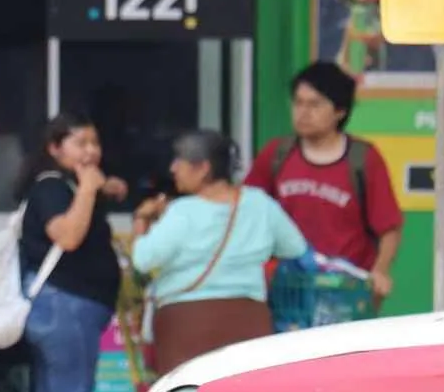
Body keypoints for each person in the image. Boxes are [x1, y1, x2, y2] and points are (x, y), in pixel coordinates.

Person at [16, 112, 126, 392]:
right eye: (80, 143)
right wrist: (89, 188)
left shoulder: (67, 186)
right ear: (55, 148)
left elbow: (112, 190)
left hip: (66, 309)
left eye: (94, 142)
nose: (91, 151)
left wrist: (103, 187)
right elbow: (69, 236)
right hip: (66, 308)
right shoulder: (50, 187)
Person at [132, 130, 311, 374]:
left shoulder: (182, 211)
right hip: (249, 323)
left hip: (186, 326)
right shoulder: (260, 203)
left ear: (203, 168)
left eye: (179, 161)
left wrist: (141, 220)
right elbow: (294, 247)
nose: (173, 168)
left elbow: (143, 259)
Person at [245, 61, 403, 309]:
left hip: (344, 291)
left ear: (340, 111)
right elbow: (246, 212)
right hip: (285, 290)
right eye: (298, 103)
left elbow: (389, 229)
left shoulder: (363, 159)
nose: (303, 112)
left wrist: (380, 272)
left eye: (315, 104)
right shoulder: (276, 154)